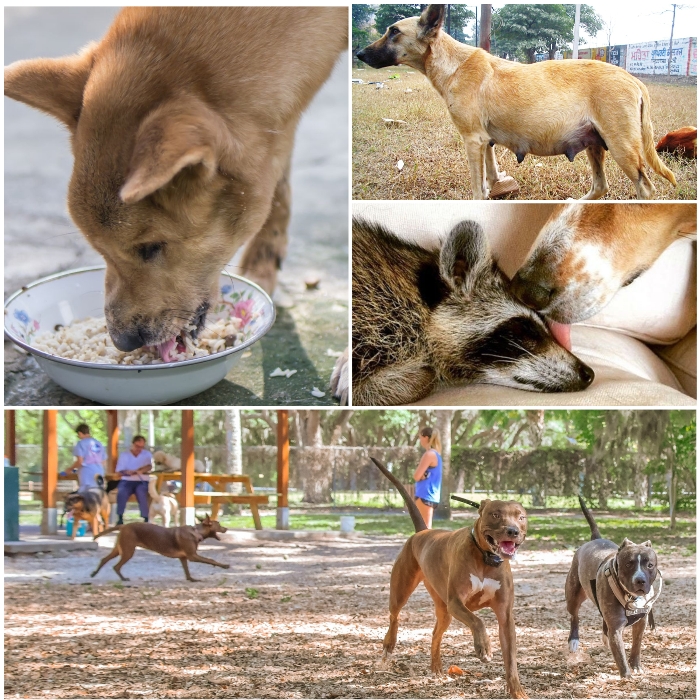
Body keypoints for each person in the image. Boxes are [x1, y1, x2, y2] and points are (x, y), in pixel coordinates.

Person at [115, 435, 153, 525]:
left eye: (141, 447)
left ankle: (146, 518)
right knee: (122, 491)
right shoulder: (124, 455)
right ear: (132, 444)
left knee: (141, 492)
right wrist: (127, 472)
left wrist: (140, 471)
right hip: (127, 480)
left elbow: (149, 466)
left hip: (142, 480)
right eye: (137, 446)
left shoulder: (147, 454)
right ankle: (120, 517)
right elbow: (119, 471)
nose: (139, 449)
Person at [413, 426, 442, 529]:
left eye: (420, 437)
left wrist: (421, 476)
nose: (420, 440)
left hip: (425, 494)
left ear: (425, 437)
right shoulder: (437, 454)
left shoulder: (429, 454)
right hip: (432, 495)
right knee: (425, 528)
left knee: (424, 530)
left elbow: (416, 476)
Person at [69, 424, 106, 492]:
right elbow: (103, 461)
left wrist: (70, 469)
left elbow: (80, 461)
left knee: (86, 494)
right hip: (99, 472)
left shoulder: (81, 444)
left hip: (87, 473)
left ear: (80, 433)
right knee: (98, 493)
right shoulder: (99, 444)